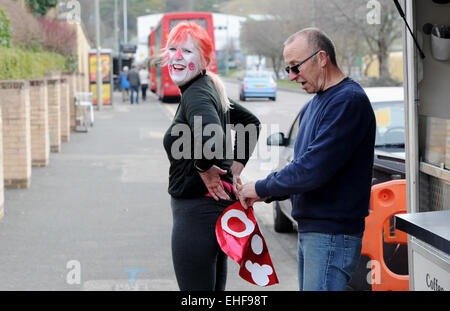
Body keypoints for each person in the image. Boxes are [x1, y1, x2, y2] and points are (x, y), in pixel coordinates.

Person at [237, 28, 376, 291]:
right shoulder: (314, 103)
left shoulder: (348, 101)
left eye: (295, 67)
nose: (291, 76)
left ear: (321, 57)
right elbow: (301, 164)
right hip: (314, 231)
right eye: (288, 69)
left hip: (331, 234)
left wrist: (261, 187)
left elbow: (313, 169)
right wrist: (264, 193)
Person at [161, 21, 260, 291]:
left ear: (206, 60)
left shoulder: (197, 94)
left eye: (188, 51)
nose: (178, 57)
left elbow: (213, 137)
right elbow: (251, 122)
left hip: (197, 214)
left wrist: (203, 167)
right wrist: (236, 168)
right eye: (173, 49)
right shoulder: (208, 87)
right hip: (214, 211)